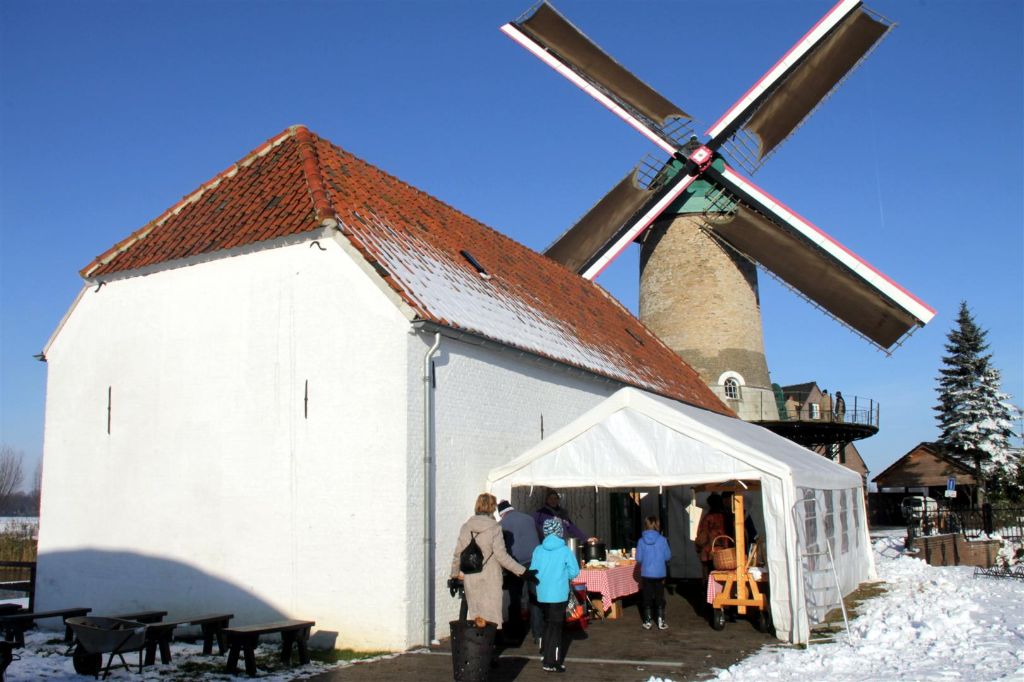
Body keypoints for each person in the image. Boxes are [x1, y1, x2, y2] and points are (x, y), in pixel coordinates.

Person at [450, 493, 537, 635]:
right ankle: (489, 647)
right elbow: (502, 557)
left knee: (477, 618)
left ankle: (477, 646)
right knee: (491, 621)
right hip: (490, 578)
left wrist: (454, 575)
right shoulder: (495, 528)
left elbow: (458, 554)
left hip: (471, 577)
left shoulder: (466, 527)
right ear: (492, 507)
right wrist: (523, 571)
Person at [530, 517, 580, 674]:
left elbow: (533, 570)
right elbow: (574, 571)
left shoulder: (538, 550)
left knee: (548, 623)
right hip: (558, 594)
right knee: (556, 627)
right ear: (559, 532)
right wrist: (564, 576)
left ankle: (545, 652)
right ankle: (551, 662)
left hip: (543, 593)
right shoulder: (565, 550)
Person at [497, 500, 541, 640]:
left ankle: (516, 634)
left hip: (515, 565)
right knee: (534, 598)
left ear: (501, 513)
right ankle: (538, 633)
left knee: (515, 598)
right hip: (534, 562)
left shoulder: (501, 524)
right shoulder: (529, 518)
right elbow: (540, 536)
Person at [635, 516, 672, 631]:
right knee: (659, 596)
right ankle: (661, 621)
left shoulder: (641, 541)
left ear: (646, 525)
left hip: (646, 573)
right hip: (660, 574)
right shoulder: (663, 540)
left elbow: (638, 558)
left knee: (647, 597)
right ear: (657, 525)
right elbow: (668, 556)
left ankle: (647, 621)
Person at [693, 493, 728, 580]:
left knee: (711, 574)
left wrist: (698, 546)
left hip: (710, 551)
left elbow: (703, 535)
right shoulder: (726, 516)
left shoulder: (708, 517)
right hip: (726, 551)